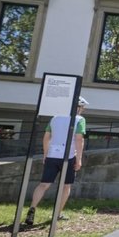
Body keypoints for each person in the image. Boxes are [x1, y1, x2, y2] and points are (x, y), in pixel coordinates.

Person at [23, 96, 87, 226]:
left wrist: (46, 154)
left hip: (52, 155)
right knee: (66, 186)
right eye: (82, 108)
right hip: (68, 156)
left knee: (43, 185)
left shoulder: (55, 118)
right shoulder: (80, 119)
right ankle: (57, 214)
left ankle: (32, 208)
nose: (82, 111)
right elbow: (79, 140)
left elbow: (46, 137)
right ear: (78, 107)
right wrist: (79, 159)